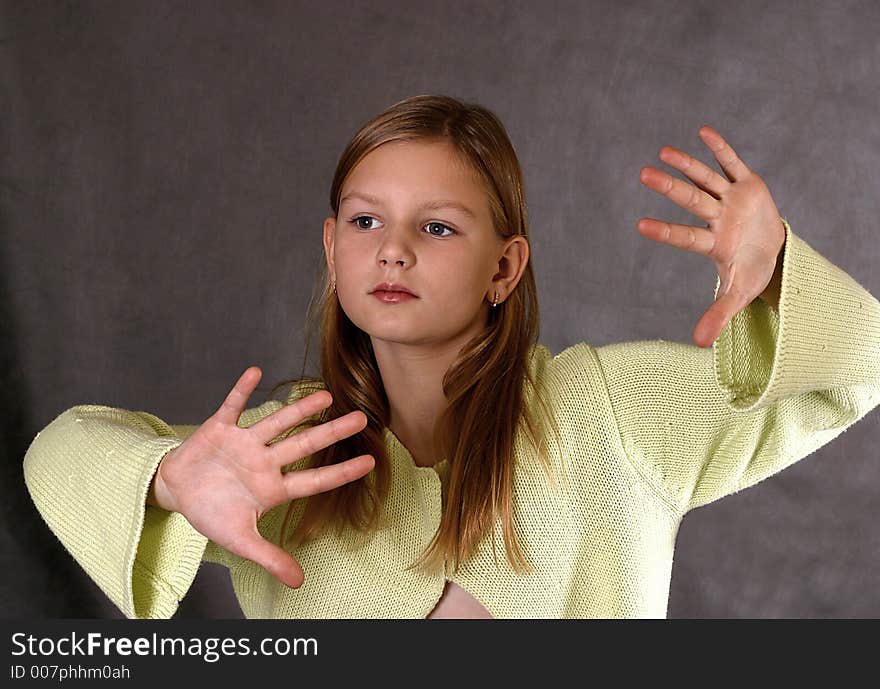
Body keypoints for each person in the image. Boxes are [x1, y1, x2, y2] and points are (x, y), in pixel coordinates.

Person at [23, 94, 880, 619]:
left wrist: (777, 281)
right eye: (365, 221)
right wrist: (171, 478)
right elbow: (60, 450)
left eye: (436, 226)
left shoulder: (608, 410)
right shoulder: (288, 457)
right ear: (332, 249)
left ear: (504, 266)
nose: (392, 250)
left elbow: (857, 369)